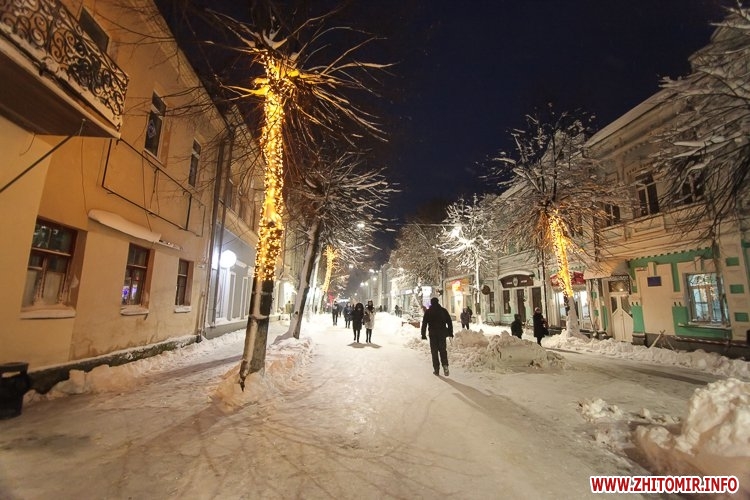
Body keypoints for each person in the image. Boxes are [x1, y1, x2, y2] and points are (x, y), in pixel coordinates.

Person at [421, 297, 453, 376]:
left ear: (431, 303)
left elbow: (424, 324)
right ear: (438, 302)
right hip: (442, 334)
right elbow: (449, 322)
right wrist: (450, 332)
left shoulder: (428, 312)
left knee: (434, 352)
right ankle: (445, 366)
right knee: (443, 350)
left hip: (433, 335)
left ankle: (436, 369)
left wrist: (423, 334)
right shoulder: (443, 311)